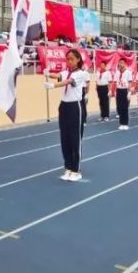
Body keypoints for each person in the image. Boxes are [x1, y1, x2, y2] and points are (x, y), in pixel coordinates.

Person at [45, 49, 90, 182]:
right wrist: (47, 73)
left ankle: (76, 169)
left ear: (78, 59)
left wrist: (53, 86)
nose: (69, 61)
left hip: (74, 107)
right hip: (64, 107)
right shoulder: (65, 72)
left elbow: (67, 82)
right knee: (64, 139)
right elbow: (58, 76)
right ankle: (68, 167)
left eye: (71, 58)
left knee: (75, 139)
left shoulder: (81, 73)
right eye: (67, 59)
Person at [114, 57, 133, 130]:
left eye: (122, 62)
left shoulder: (128, 72)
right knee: (120, 107)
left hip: (125, 90)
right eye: (120, 62)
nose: (121, 64)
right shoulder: (117, 72)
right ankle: (121, 123)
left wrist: (129, 92)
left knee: (125, 108)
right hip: (119, 90)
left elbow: (130, 82)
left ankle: (125, 123)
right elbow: (116, 82)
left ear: (125, 64)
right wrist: (115, 91)